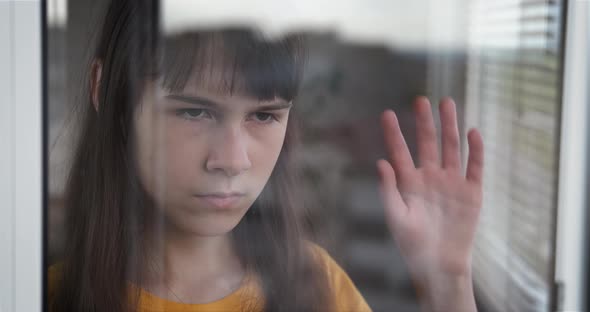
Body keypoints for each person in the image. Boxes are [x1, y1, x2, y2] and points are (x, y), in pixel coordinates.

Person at [48, 0, 484, 311]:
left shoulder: (319, 289)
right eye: (195, 111)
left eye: (263, 116)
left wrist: (448, 288)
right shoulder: (39, 295)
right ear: (105, 91)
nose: (233, 160)